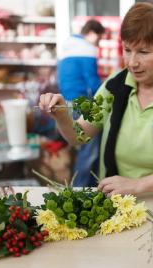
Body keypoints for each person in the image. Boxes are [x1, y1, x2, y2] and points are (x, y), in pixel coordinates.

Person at [39, 3, 153, 196]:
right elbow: (79, 135)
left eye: (144, 52)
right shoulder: (113, 87)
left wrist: (138, 185)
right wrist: (61, 115)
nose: (132, 62)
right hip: (124, 206)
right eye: (127, 50)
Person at [57, 19, 105, 187]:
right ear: (92, 33)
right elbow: (93, 82)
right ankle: (82, 190)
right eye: (98, 39)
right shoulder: (87, 48)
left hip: (69, 100)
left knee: (82, 147)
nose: (98, 44)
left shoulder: (68, 44)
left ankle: (83, 186)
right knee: (89, 150)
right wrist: (109, 92)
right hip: (82, 103)